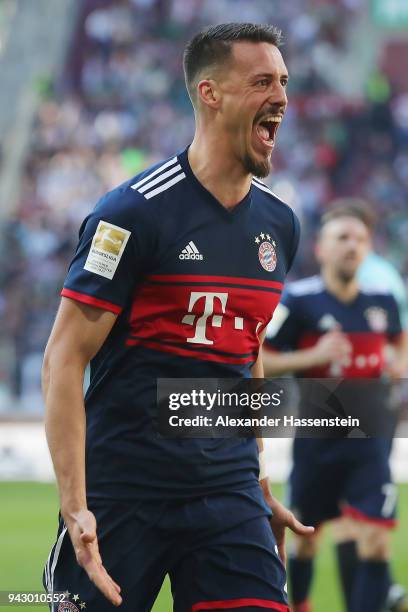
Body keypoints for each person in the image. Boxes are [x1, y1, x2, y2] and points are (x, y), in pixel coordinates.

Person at [42, 23, 313, 612]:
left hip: (228, 494)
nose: (282, 98)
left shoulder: (281, 225)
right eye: (262, 81)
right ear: (210, 94)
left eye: (285, 82)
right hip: (126, 493)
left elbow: (249, 347)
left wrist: (259, 478)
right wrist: (76, 505)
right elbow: (65, 356)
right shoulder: (131, 213)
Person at [263, 203, 408, 612]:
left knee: (376, 539)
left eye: (360, 239)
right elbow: (262, 356)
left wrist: (396, 362)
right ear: (321, 248)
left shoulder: (381, 301)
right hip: (318, 440)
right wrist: (311, 358)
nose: (352, 246)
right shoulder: (299, 301)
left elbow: (398, 340)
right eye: (342, 237)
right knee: (307, 539)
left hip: (370, 440)